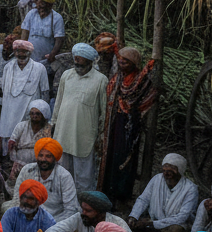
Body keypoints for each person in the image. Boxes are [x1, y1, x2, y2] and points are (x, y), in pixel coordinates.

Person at [99, 47, 156, 203]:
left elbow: (138, 98)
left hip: (129, 125)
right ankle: (108, 189)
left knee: (124, 158)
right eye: (121, 59)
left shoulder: (139, 81)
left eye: (126, 60)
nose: (122, 62)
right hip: (115, 120)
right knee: (111, 155)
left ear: (134, 63)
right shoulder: (118, 77)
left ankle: (121, 193)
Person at [51, 43, 107, 191]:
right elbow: (59, 102)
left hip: (85, 135)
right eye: (76, 62)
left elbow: (104, 111)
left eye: (81, 63)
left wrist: (101, 135)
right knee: (63, 173)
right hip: (63, 131)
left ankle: (84, 208)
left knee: (83, 176)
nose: (78, 66)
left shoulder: (101, 80)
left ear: (90, 62)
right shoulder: (66, 75)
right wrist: (53, 123)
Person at [129, 153, 199, 232]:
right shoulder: (157, 179)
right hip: (155, 221)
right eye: (165, 170)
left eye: (171, 170)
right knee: (134, 224)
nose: (166, 173)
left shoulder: (190, 189)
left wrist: (152, 224)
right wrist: (134, 216)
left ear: (180, 171)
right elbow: (143, 199)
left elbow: (182, 217)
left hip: (175, 224)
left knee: (176, 230)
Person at [11, 139, 79, 222]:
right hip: (28, 218)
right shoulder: (27, 170)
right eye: (41, 155)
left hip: (55, 220)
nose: (43, 159)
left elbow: (71, 210)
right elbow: (17, 199)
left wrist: (49, 224)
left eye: (48, 156)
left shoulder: (64, 176)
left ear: (55, 158)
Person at [0, 40, 49, 149]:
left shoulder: (39, 68)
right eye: (18, 51)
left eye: (24, 51)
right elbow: (4, 89)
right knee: (9, 139)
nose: (21, 54)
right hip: (10, 111)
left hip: (30, 111)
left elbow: (45, 92)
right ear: (14, 52)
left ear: (30, 53)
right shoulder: (8, 67)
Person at [19, 0, 65, 65]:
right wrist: (22, 49)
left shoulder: (57, 18)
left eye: (43, 6)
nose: (40, 8)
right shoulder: (31, 14)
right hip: (30, 58)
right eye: (38, 6)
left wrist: (53, 54)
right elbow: (25, 33)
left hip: (46, 60)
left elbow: (59, 39)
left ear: (49, 6)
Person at [8, 100, 52, 172]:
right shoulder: (21, 125)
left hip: (41, 165)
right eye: (32, 113)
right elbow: (12, 141)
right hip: (19, 163)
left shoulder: (49, 129)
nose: (34, 116)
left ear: (44, 115)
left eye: (38, 114)